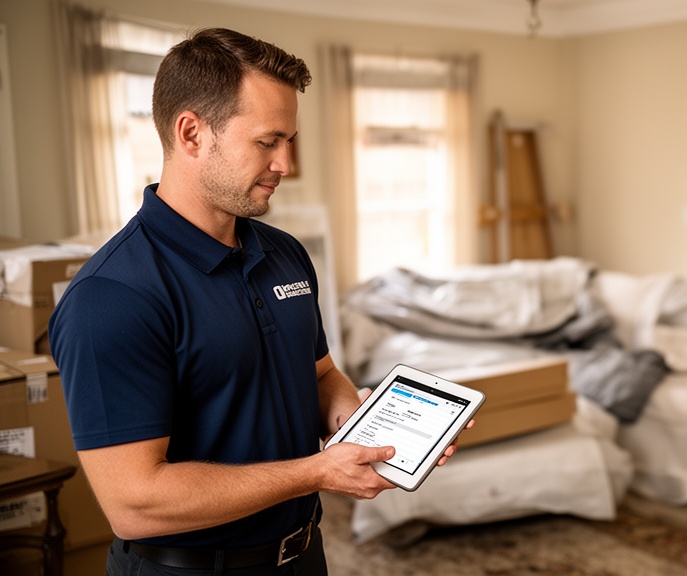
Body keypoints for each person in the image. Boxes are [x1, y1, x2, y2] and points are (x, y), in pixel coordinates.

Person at [49, 28, 463, 575]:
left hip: (303, 555)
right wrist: (317, 472)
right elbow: (135, 504)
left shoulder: (285, 254)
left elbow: (317, 375)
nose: (285, 164)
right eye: (267, 142)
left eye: (289, 141)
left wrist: (362, 427)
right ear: (192, 134)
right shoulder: (112, 295)